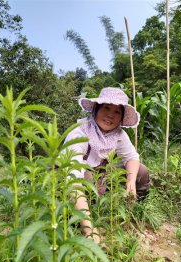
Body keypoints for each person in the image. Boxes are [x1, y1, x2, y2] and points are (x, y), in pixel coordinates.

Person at [64, 87, 150, 244]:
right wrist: (90, 230)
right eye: (106, 108)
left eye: (117, 112)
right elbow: (73, 182)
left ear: (122, 118)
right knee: (71, 209)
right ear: (96, 108)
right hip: (74, 183)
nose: (111, 114)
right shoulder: (79, 133)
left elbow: (131, 157)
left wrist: (131, 184)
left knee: (141, 171)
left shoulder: (118, 134)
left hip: (99, 180)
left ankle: (131, 210)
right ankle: (81, 219)